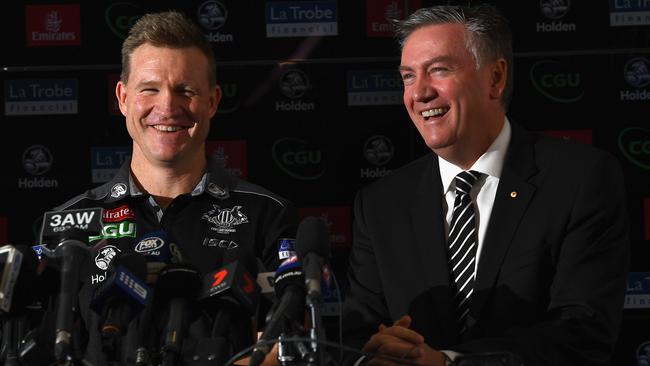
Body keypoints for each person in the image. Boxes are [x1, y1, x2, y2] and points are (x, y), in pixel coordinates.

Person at [342, 4, 629, 366]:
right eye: (408, 77)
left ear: (495, 78)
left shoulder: (581, 179)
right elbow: (358, 335)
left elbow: (582, 331)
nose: (420, 93)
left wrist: (447, 361)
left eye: (439, 70)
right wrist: (378, 353)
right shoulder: (380, 204)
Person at [37, 10, 298, 365]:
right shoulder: (68, 225)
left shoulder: (268, 216)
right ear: (123, 97)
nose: (167, 107)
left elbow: (295, 344)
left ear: (212, 101)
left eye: (185, 90)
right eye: (150, 89)